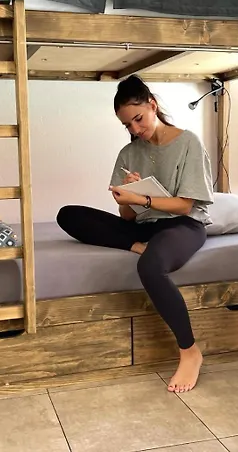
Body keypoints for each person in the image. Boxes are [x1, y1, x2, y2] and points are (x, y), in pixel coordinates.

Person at [56, 74, 214, 393]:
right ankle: (136, 245)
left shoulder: (188, 143)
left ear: (152, 106)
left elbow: (186, 205)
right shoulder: (128, 153)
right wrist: (128, 198)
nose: (135, 129)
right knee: (68, 214)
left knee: (151, 267)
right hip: (143, 226)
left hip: (182, 225)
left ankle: (189, 352)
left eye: (138, 119)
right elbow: (127, 215)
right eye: (127, 125)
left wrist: (142, 199)